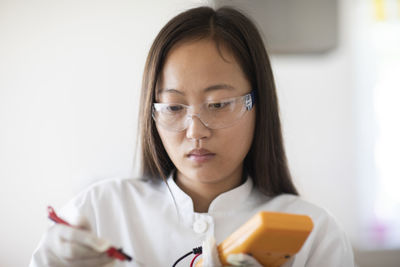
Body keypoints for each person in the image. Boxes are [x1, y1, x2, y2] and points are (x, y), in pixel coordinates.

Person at [29, 6, 355, 267]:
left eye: (218, 104)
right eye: (173, 107)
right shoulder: (102, 212)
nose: (196, 130)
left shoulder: (313, 234)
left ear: (259, 104)